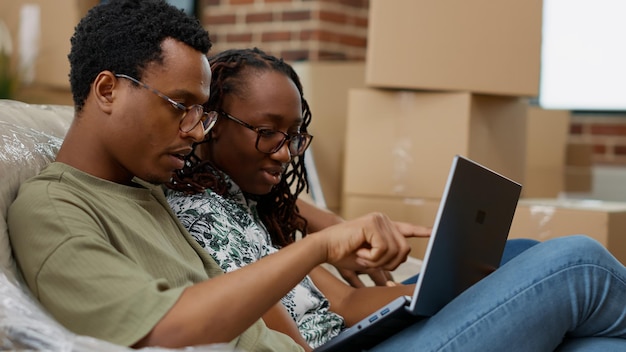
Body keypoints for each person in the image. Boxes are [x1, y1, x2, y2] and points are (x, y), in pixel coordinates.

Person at [5, 1, 626, 351]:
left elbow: (245, 207)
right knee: (579, 264)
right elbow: (166, 328)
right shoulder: (54, 211)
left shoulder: (154, 183)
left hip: (328, 344)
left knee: (568, 312)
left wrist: (325, 225)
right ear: (108, 90)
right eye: (182, 109)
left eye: (204, 113)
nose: (196, 130)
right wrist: (320, 248)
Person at [163, 47, 626, 351]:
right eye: (267, 134)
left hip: (351, 334)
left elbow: (341, 302)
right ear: (211, 121)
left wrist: (442, 294)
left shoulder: (239, 200)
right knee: (576, 262)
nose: (285, 153)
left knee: (536, 269)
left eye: (294, 136)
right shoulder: (197, 216)